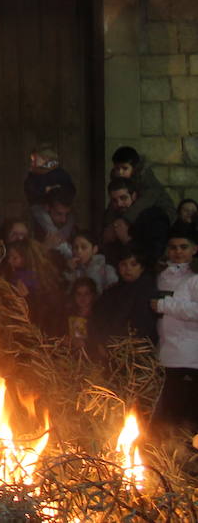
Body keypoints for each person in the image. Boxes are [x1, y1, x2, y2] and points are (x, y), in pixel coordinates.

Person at [149, 228, 198, 438]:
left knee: (187, 419)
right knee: (168, 417)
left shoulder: (195, 278)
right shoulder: (162, 276)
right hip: (165, 355)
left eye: (183, 247)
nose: (178, 252)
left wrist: (165, 305)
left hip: (189, 358)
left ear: (194, 249)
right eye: (173, 247)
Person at [89, 247, 158, 352]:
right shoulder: (111, 292)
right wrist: (101, 341)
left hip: (137, 350)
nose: (128, 269)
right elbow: (98, 318)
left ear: (142, 268)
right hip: (111, 349)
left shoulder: (147, 291)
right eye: (123, 264)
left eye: (133, 264)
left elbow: (144, 326)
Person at [107, 177, 169, 268]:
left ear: (134, 196)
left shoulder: (153, 216)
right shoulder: (113, 219)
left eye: (123, 198)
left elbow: (155, 255)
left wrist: (127, 240)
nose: (119, 204)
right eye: (114, 200)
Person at [112, 146, 176, 222]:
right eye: (117, 168)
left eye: (125, 168)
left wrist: (126, 220)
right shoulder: (119, 179)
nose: (120, 172)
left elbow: (146, 201)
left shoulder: (145, 177)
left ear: (134, 167)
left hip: (162, 213)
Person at [24, 143, 75, 225]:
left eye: (36, 159)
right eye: (33, 160)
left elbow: (70, 189)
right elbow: (31, 193)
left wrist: (59, 192)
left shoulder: (60, 174)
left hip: (61, 204)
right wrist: (46, 193)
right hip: (42, 206)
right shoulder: (33, 176)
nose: (33, 162)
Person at [65, 277, 97, 352]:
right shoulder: (69, 315)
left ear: (92, 295)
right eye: (78, 294)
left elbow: (99, 340)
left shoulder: (97, 316)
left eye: (86, 294)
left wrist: (86, 343)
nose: (82, 297)